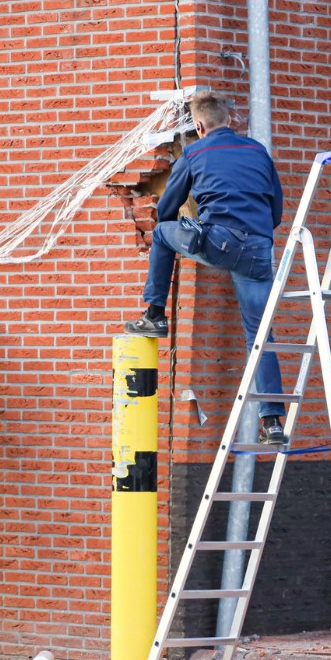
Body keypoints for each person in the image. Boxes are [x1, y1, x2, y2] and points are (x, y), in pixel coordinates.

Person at [124, 90, 287, 444]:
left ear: (199, 125)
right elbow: (276, 212)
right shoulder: (258, 151)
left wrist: (187, 231)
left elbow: (168, 208)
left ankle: (154, 314)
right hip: (260, 249)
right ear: (229, 119)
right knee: (260, 336)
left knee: (165, 234)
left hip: (221, 241)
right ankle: (273, 421)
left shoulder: (196, 152)